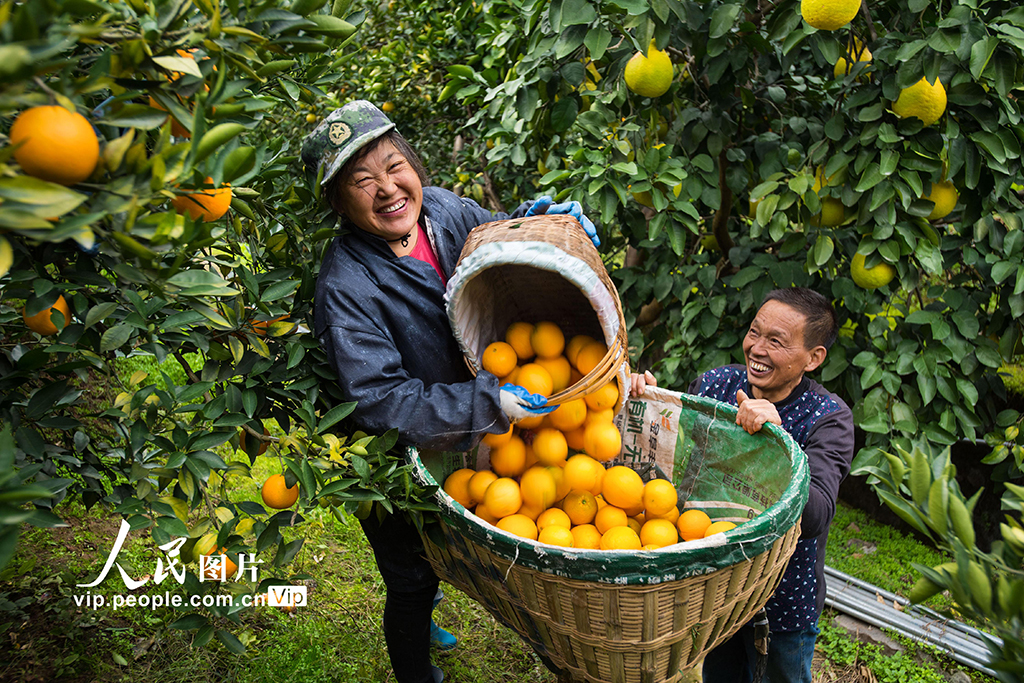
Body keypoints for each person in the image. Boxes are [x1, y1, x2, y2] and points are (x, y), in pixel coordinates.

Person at [301, 101, 599, 683]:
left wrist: (532, 221)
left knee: (451, 551)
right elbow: (381, 400)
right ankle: (417, 668)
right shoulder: (346, 285)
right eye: (362, 182)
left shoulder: (441, 210)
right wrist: (489, 402)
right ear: (340, 204)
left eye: (393, 167)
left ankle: (429, 606)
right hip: (392, 460)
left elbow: (493, 242)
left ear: (413, 163)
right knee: (412, 576)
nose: (387, 189)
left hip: (470, 432)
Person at [631, 287, 854, 683]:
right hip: (717, 588)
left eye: (777, 341)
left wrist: (778, 441)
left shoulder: (828, 417)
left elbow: (816, 515)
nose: (757, 348)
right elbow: (674, 460)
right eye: (755, 332)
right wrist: (647, 400)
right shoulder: (717, 385)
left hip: (782, 600)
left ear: (814, 358)